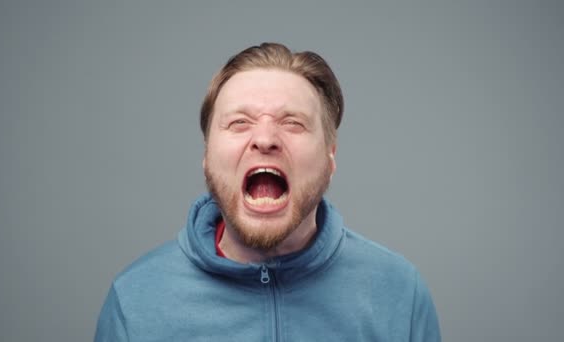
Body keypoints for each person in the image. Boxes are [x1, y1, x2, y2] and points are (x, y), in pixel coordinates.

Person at [94, 42, 441, 341]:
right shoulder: (136, 300)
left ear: (329, 157)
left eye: (292, 123)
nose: (264, 139)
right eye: (239, 123)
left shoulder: (399, 293)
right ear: (206, 156)